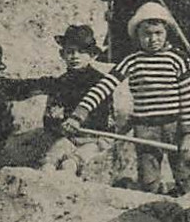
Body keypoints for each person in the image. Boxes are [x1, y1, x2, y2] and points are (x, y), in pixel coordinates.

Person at [63, 3, 190, 194]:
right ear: (137, 35)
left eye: (158, 33)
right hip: (145, 128)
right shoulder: (132, 61)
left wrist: (188, 133)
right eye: (146, 34)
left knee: (185, 174)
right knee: (148, 179)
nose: (153, 39)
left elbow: (188, 98)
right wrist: (78, 115)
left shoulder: (178, 59)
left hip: (174, 126)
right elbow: (102, 87)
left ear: (167, 32)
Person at [10, 24, 114, 176]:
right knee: (50, 160)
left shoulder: (101, 82)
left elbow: (105, 118)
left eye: (81, 52)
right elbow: (51, 115)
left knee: (70, 164)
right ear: (62, 54)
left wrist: (77, 124)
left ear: (92, 55)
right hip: (66, 137)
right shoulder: (61, 83)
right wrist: (58, 126)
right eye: (70, 52)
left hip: (92, 138)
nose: (75, 56)